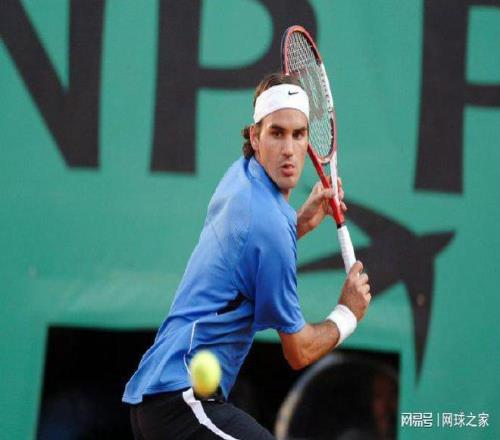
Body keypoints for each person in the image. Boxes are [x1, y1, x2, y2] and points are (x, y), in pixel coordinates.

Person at [122, 72, 371, 439]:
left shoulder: (241, 178)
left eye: (299, 134)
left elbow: (251, 248)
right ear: (255, 137)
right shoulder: (270, 225)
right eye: (277, 133)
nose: (289, 149)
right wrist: (347, 313)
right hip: (182, 402)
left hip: (160, 399)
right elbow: (299, 351)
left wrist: (299, 223)